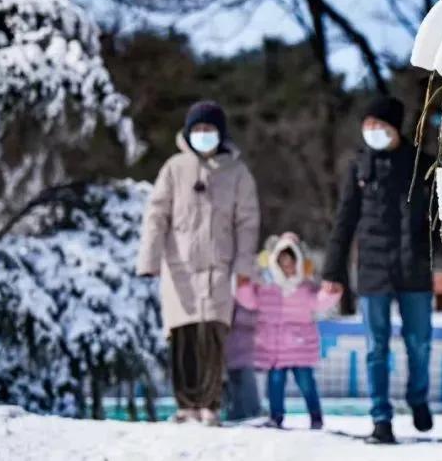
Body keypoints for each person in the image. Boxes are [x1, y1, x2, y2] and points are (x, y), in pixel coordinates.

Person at [136, 101, 260, 426]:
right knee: (182, 337)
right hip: (180, 268)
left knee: (213, 336)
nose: (203, 135)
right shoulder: (174, 168)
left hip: (219, 267)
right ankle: (185, 405)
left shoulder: (237, 172)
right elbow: (156, 214)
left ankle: (210, 405)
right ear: (188, 133)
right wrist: (149, 258)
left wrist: (245, 268)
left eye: (209, 130)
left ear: (221, 134)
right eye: (198, 130)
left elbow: (247, 222)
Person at [322, 96, 435, 444]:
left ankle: (417, 398)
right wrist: (333, 271)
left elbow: (440, 216)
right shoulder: (359, 168)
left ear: (394, 129)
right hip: (372, 270)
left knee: (418, 342)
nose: (372, 132)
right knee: (376, 347)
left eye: (380, 126)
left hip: (413, 267)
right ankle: (380, 418)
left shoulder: (422, 165)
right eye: (367, 125)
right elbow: (344, 223)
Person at [244, 232, 339, 429]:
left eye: (290, 262)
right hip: (275, 349)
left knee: (306, 383)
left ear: (298, 262)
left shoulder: (305, 288)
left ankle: (315, 416)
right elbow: (250, 301)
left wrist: (332, 293)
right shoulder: (267, 289)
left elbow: (319, 302)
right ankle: (276, 416)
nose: (287, 267)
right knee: (275, 383)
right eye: (282, 263)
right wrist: (242, 287)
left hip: (299, 347)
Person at [224, 280, 262, 422]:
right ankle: (237, 413)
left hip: (244, 353)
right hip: (229, 352)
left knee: (244, 385)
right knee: (234, 387)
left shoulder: (252, 294)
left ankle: (249, 413)